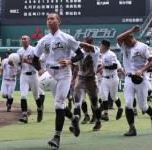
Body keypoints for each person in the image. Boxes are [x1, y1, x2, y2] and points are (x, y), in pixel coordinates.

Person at [33, 12, 84, 149]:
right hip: (50, 73)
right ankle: (74, 118)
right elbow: (34, 59)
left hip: (64, 73)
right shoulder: (43, 40)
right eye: (48, 19)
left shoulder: (67, 38)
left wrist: (70, 60)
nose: (49, 21)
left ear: (59, 21)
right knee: (60, 103)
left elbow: (80, 54)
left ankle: (57, 137)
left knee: (58, 103)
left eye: (52, 18)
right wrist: (39, 69)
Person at [117, 25, 152, 136]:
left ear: (131, 38)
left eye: (126, 41)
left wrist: (142, 70)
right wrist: (131, 30)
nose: (123, 43)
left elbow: (151, 62)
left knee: (143, 106)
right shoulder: (124, 45)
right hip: (128, 79)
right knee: (128, 104)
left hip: (141, 79)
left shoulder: (143, 47)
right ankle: (132, 128)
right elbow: (118, 38)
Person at [71, 36, 102, 132]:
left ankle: (98, 121)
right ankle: (74, 124)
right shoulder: (80, 52)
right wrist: (73, 79)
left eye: (89, 43)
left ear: (91, 43)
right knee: (77, 102)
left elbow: (90, 47)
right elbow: (76, 67)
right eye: (86, 43)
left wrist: (77, 42)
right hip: (81, 79)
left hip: (91, 80)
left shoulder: (95, 50)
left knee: (95, 104)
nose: (86, 46)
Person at [17, 35, 43, 124]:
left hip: (33, 75)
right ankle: (24, 115)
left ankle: (40, 109)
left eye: (25, 39)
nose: (23, 40)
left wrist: (27, 61)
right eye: (22, 39)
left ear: (29, 40)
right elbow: (19, 64)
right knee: (23, 95)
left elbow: (37, 63)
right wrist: (15, 63)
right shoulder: (19, 51)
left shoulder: (33, 50)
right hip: (24, 75)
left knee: (36, 96)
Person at [100, 39, 123, 121]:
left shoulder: (111, 54)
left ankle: (120, 108)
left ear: (105, 46)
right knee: (104, 97)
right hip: (105, 78)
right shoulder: (103, 54)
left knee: (114, 97)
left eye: (102, 45)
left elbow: (114, 66)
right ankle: (105, 114)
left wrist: (104, 67)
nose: (101, 46)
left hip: (113, 78)